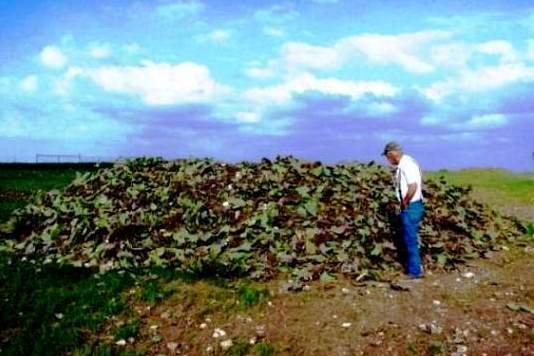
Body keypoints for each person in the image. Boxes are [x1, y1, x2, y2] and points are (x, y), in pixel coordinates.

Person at [382, 142, 424, 279]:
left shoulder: (407, 165)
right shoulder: (407, 163)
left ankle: (414, 272)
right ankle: (415, 268)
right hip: (413, 205)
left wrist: (404, 203)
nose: (388, 160)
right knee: (410, 238)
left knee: (410, 239)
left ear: (392, 154)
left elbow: (413, 186)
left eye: (388, 157)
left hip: (411, 206)